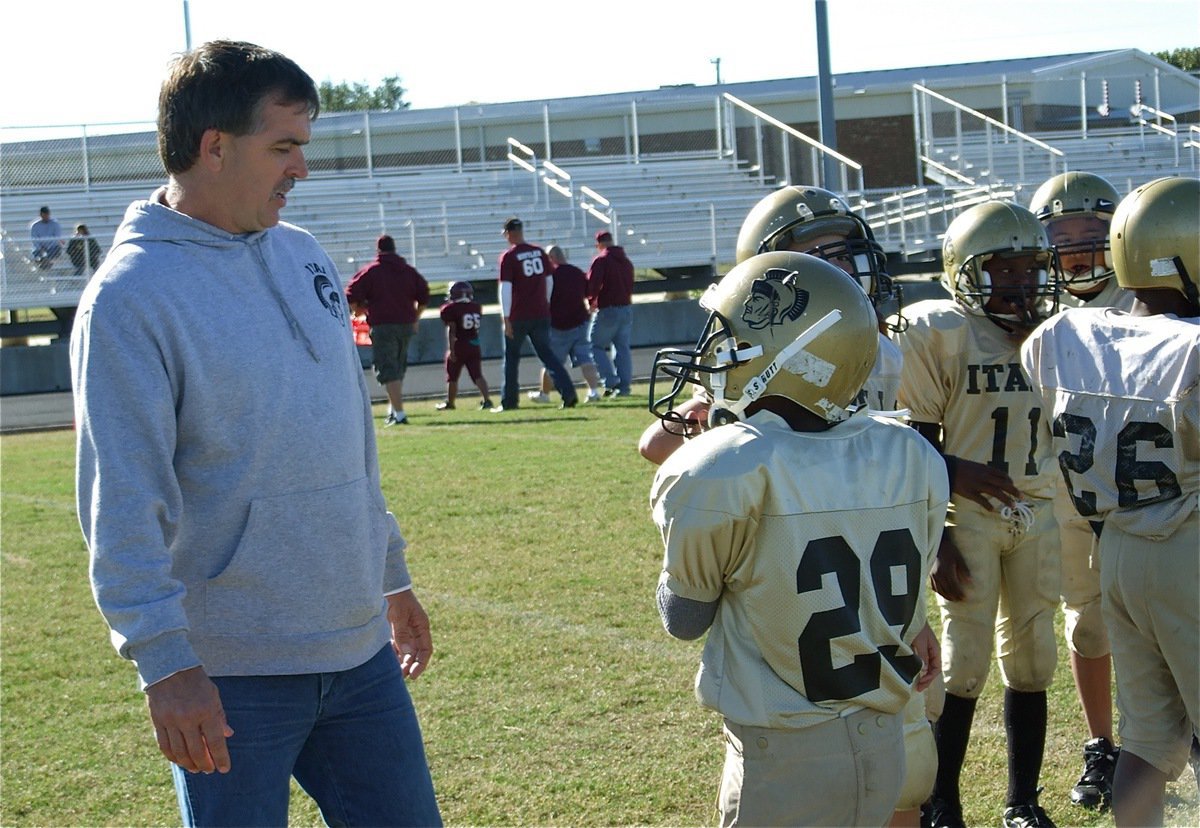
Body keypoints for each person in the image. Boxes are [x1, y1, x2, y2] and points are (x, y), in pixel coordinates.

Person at [68, 40, 440, 827]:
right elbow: (122, 501)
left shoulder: (303, 254)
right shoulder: (130, 298)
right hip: (231, 675)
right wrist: (165, 665)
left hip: (359, 655)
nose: (301, 168)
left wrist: (389, 572)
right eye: (283, 147)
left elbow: (349, 439)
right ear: (214, 147)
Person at [650, 250, 948, 827]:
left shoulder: (723, 467)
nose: (713, 354)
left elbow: (683, 618)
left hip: (783, 755)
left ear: (788, 354)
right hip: (882, 742)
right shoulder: (908, 450)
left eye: (729, 339)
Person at [1021, 175, 1199, 828]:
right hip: (1185, 541)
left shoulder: (1061, 335)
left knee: (1147, 740)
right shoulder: (1190, 346)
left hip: (1118, 545)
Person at [893, 200, 1061, 828]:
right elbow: (910, 441)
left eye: (1029, 269)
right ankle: (943, 802)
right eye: (1003, 270)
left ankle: (1023, 802)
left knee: (1034, 658)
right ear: (966, 271)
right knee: (963, 662)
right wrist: (939, 532)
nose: (1021, 283)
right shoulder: (939, 331)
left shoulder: (1055, 334)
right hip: (966, 515)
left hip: (1037, 508)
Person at [641, 185, 904, 463]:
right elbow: (656, 445)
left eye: (844, 257)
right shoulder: (883, 348)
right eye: (819, 261)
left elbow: (656, 446)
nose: (845, 270)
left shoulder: (881, 346)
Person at [1028, 170, 1130, 811]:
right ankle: (1101, 743)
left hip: (1152, 487)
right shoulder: (1030, 309)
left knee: (1175, 617)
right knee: (1090, 625)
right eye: (1061, 240)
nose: (1077, 253)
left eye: (1090, 235)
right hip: (1070, 489)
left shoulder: (1148, 298)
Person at [493, 217, 578, 411]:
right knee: (548, 356)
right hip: (540, 313)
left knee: (511, 359)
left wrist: (506, 317)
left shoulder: (509, 256)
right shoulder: (539, 252)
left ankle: (509, 401)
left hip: (518, 315)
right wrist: (545, 303)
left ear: (508, 233)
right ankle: (568, 393)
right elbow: (549, 281)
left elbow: (505, 289)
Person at [346, 233, 430, 426]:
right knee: (398, 367)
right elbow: (424, 295)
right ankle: (393, 410)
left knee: (388, 369)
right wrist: (415, 317)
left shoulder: (372, 271)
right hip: (406, 324)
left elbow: (351, 294)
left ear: (378, 250)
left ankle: (399, 414)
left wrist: (359, 309)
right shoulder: (408, 271)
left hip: (383, 325)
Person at [528, 244, 602, 404]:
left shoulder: (551, 275)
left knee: (551, 361)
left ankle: (544, 394)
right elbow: (588, 292)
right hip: (580, 322)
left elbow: (544, 298)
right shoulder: (577, 272)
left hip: (558, 325)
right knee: (585, 358)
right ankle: (593, 391)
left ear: (551, 258)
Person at [586, 229, 635, 398]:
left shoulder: (601, 260)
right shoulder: (626, 261)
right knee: (622, 348)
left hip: (608, 309)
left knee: (594, 346)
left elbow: (593, 284)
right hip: (626, 308)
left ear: (599, 244)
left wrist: (590, 301)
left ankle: (611, 381)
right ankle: (624, 387)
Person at [436, 280, 493, 410]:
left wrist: (451, 350)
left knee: (452, 377)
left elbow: (452, 330)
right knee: (477, 375)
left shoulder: (450, 309)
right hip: (474, 344)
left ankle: (450, 403)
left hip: (459, 344)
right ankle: (487, 400)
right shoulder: (476, 307)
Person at [29, 205, 63, 269]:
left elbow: (57, 237)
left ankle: (45, 262)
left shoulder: (55, 224)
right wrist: (40, 248)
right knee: (36, 253)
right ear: (40, 215)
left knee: (55, 250)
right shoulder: (35, 226)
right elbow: (34, 240)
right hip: (39, 248)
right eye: (44, 215)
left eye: (47, 214)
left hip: (52, 247)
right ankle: (45, 262)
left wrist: (48, 247)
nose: (46, 216)